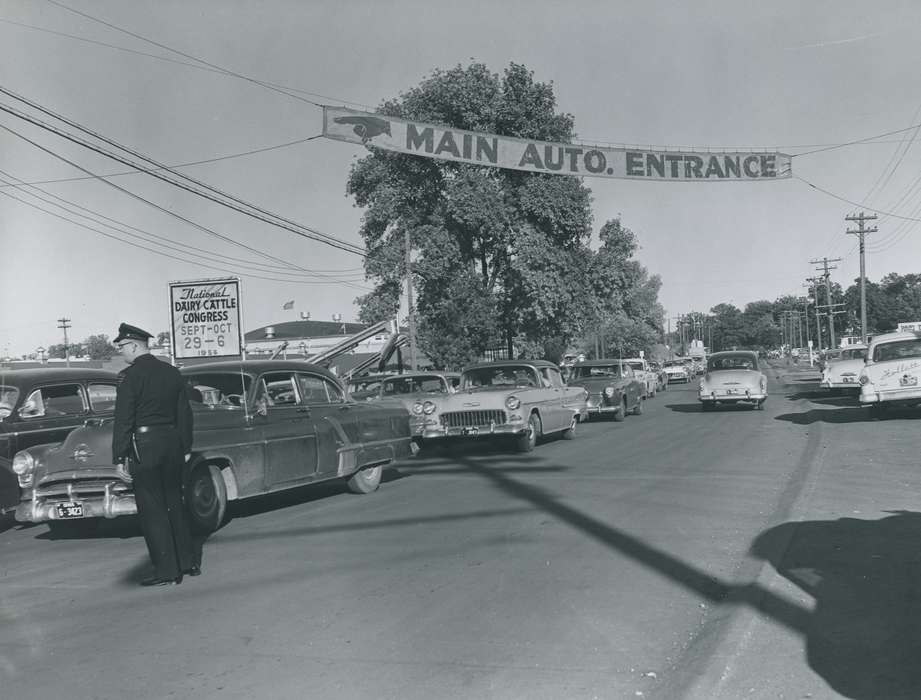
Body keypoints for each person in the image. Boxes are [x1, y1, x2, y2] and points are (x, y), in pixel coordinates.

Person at [112, 322, 199, 586]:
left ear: (134, 346)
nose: (120, 352)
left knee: (153, 509)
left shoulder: (129, 377)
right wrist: (186, 447)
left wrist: (119, 457)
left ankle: (166, 571)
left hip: (145, 446)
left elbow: (123, 419)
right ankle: (188, 562)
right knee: (175, 502)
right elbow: (184, 413)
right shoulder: (172, 372)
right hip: (172, 443)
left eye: (122, 347)